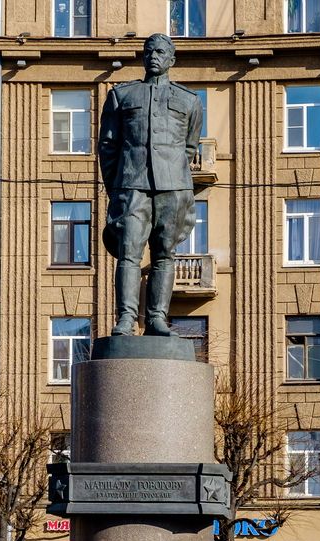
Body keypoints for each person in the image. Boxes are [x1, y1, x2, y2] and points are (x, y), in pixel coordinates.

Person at [98, 33, 203, 337]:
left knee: (163, 255)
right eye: (148, 51)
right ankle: (126, 318)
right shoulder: (122, 96)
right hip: (132, 187)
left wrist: (175, 177)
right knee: (129, 253)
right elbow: (108, 147)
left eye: (160, 52)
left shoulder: (189, 100)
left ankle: (157, 318)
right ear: (142, 57)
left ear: (172, 59)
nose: (154, 56)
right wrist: (117, 186)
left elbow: (189, 148)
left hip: (173, 189)